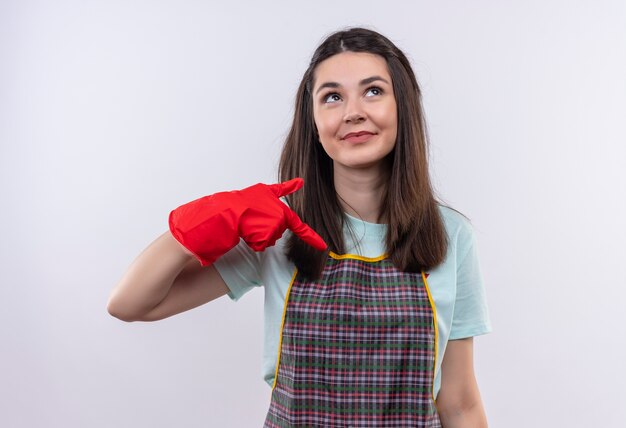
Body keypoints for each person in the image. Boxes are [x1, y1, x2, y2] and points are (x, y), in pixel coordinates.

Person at [108, 27, 491, 428]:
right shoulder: (277, 230)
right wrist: (191, 231)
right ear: (312, 121)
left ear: (404, 106)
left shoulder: (450, 235)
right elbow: (130, 304)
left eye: (373, 91)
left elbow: (460, 403)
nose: (353, 111)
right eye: (332, 97)